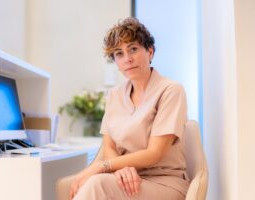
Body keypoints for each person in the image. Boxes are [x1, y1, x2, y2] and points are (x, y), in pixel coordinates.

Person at [69, 17, 190, 200]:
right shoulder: (114, 95)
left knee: (96, 183)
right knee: (89, 184)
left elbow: (154, 153)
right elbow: (109, 145)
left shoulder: (171, 90)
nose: (128, 59)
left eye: (133, 49)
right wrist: (121, 168)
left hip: (164, 181)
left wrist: (104, 166)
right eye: (119, 53)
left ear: (150, 52)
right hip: (126, 178)